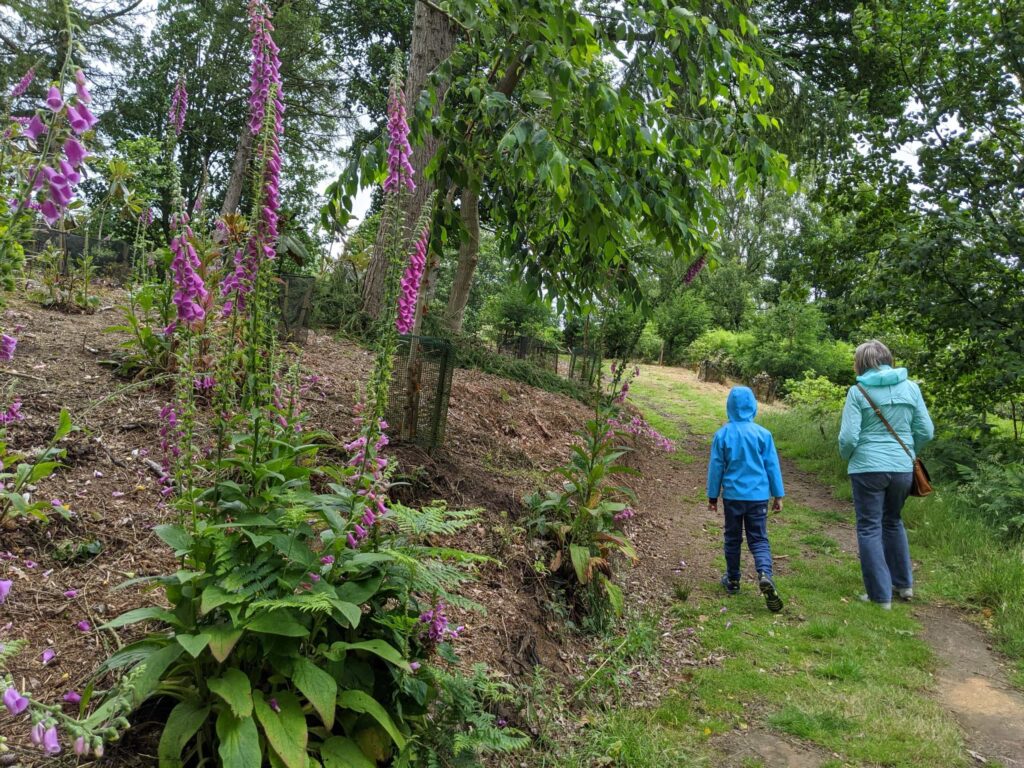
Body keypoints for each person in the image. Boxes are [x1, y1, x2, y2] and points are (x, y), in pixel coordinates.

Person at [839, 340, 934, 609]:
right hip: (903, 467)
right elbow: (926, 431)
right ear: (887, 359)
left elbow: (848, 438)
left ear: (862, 363)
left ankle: (880, 596)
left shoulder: (858, 392)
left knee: (869, 527)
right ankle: (904, 585)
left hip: (867, 467)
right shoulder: (912, 388)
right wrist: (908, 451)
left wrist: (849, 457)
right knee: (893, 521)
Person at [707, 386, 785, 612]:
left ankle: (732, 580)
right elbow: (772, 466)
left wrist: (713, 496)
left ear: (729, 407)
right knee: (759, 539)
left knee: (732, 538)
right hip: (759, 497)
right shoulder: (763, 434)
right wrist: (777, 494)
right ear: (753, 406)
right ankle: (764, 573)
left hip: (732, 497)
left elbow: (716, 468)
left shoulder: (722, 434)